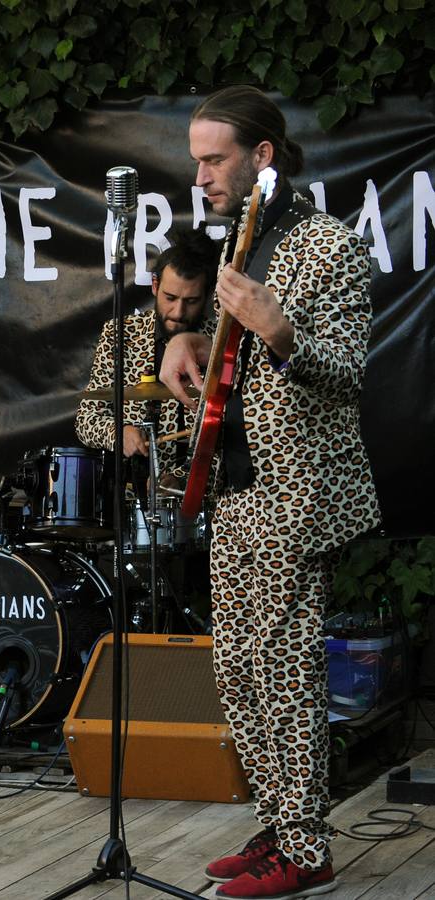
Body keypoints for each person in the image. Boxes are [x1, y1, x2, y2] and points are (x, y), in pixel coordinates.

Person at [160, 85, 379, 900]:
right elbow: (233, 358)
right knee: (239, 671)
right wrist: (189, 340)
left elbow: (347, 372)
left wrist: (280, 329)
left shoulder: (327, 245)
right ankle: (281, 824)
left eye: (213, 160)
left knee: (286, 671)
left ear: (262, 157)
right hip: (237, 487)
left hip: (295, 493)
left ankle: (308, 849)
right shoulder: (241, 243)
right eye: (196, 162)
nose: (201, 177)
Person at [75, 225, 218, 474]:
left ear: (206, 296)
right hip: (133, 490)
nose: (178, 313)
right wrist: (118, 433)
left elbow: (230, 435)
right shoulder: (121, 334)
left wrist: (180, 478)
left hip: (199, 488)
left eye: (191, 301)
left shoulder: (217, 342)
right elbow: (86, 419)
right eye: (170, 298)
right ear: (155, 285)